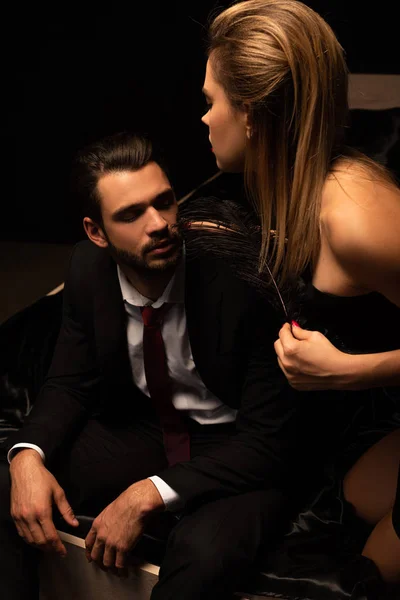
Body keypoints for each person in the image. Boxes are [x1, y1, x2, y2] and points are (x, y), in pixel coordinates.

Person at [0, 131, 300, 600]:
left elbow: (272, 440)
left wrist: (148, 494)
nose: (159, 223)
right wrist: (26, 456)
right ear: (95, 232)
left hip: (238, 449)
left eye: (164, 202)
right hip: (147, 428)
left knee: (204, 557)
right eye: (131, 214)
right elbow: (69, 383)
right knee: (7, 483)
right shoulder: (87, 269)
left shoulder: (239, 280)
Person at [187, 0, 400, 587]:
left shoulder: (357, 219)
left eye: (211, 101)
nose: (203, 118)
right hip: (357, 430)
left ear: (252, 114)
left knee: (355, 580)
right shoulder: (278, 186)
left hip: (380, 410)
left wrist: (348, 371)